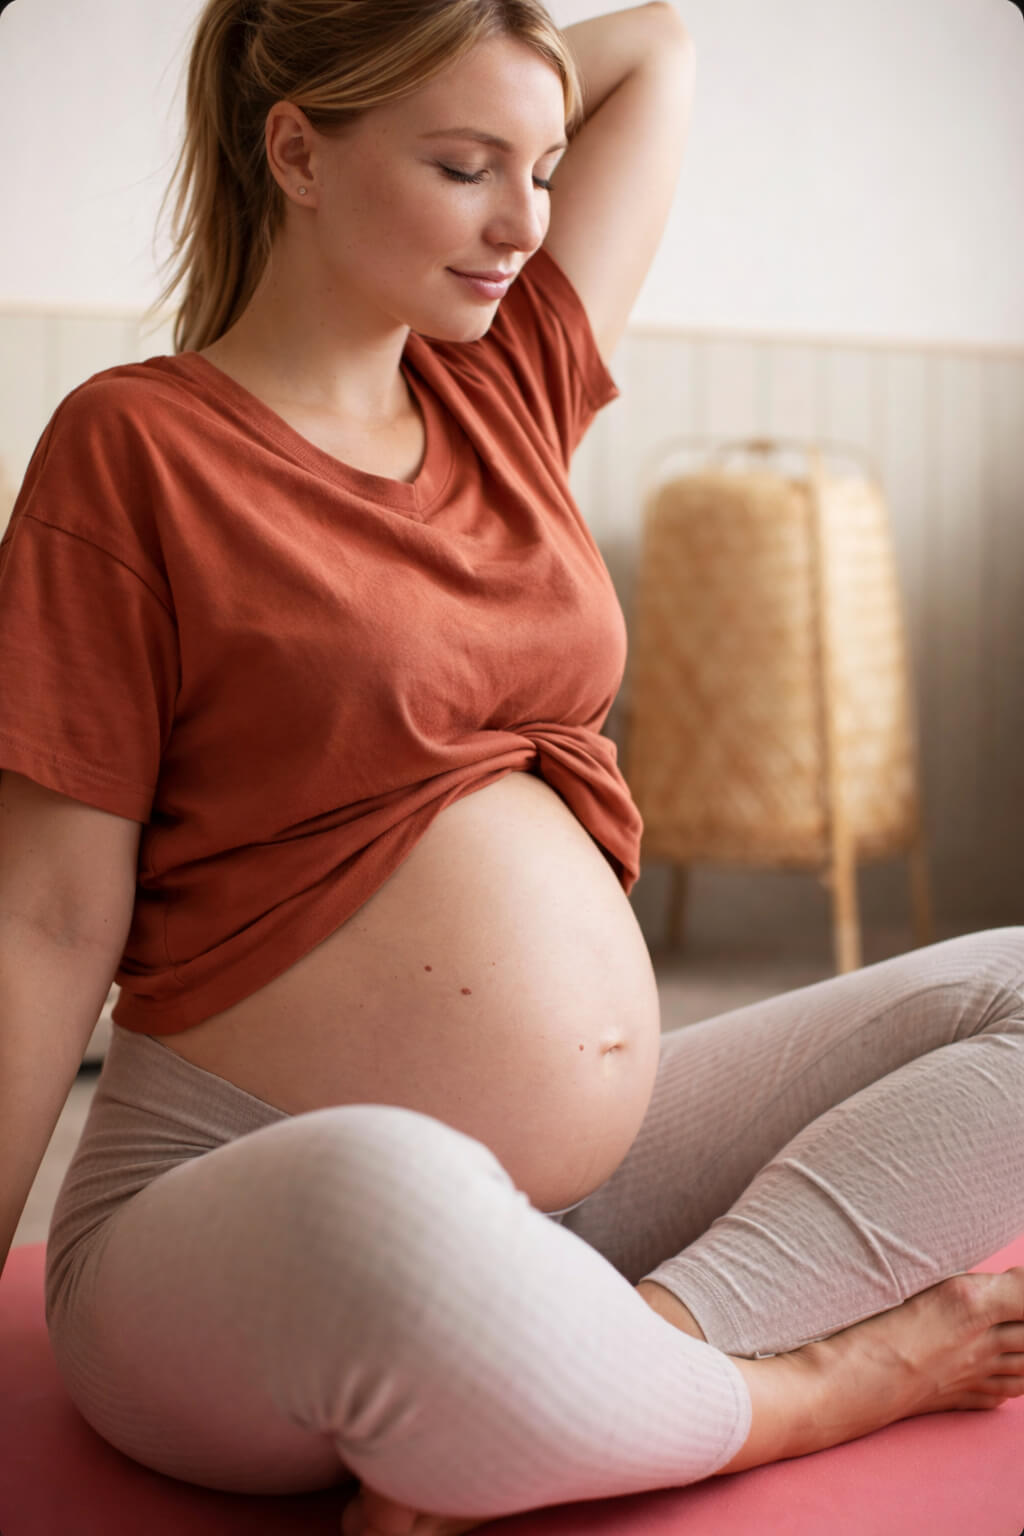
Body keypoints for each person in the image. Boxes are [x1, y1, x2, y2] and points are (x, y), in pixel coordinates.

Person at [1, 2, 1022, 1534]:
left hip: (575, 1208)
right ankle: (815, 1384)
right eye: (464, 166)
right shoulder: (136, 446)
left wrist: (473, 66)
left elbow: (659, 48)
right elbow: (44, 921)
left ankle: (615, 1359)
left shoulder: (505, 384)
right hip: (253, 1208)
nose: (523, 224)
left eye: (542, 171)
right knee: (395, 1195)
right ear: (297, 154)